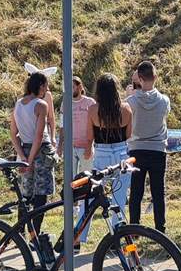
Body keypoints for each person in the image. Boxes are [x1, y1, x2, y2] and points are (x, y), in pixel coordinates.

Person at [126, 61, 171, 232]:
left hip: (137, 148)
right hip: (158, 148)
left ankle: (134, 227)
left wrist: (130, 93)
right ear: (155, 77)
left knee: (136, 192)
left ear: (139, 78)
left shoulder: (131, 100)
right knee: (158, 192)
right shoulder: (164, 100)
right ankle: (161, 228)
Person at [88, 74, 133, 236]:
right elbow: (129, 134)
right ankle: (117, 234)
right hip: (121, 152)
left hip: (102, 152)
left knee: (92, 194)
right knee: (119, 198)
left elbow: (89, 136)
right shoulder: (126, 108)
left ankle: (80, 236)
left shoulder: (93, 109)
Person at [13, 69, 58, 229]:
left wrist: (23, 158)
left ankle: (20, 230)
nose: (46, 90)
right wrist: (30, 161)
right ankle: (36, 234)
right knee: (41, 193)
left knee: (25, 193)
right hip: (41, 151)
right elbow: (39, 136)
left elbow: (14, 134)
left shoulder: (18, 104)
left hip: (24, 149)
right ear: (40, 86)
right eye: (45, 86)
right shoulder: (41, 105)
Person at [69, 76, 95, 174]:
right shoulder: (66, 103)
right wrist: (60, 146)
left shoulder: (90, 102)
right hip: (70, 147)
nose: (70, 90)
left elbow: (95, 125)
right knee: (70, 178)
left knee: (87, 178)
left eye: (72, 87)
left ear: (80, 87)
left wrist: (90, 146)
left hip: (86, 147)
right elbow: (62, 125)